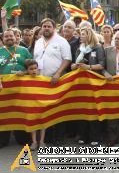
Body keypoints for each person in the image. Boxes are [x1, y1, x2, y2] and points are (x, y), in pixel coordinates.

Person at [33, 18, 72, 146]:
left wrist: (58, 73)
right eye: (44, 26)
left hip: (57, 80)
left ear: (54, 28)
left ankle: (59, 138)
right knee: (45, 110)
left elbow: (67, 59)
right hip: (41, 81)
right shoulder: (38, 42)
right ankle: (47, 138)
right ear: (41, 28)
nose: (46, 28)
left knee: (57, 110)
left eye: (49, 26)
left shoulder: (62, 41)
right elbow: (35, 60)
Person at [71, 27, 105, 146]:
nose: (80, 36)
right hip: (81, 84)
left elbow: (101, 65)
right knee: (83, 110)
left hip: (94, 83)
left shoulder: (98, 47)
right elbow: (74, 63)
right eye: (81, 34)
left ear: (89, 35)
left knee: (94, 111)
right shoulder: (79, 49)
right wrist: (74, 66)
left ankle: (95, 136)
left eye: (83, 34)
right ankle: (83, 135)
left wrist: (89, 67)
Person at [0, 29, 33, 149]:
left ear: (15, 37)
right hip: (4, 90)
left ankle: (22, 138)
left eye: (11, 36)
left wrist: (24, 72)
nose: (9, 38)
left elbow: (32, 68)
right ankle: (3, 139)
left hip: (21, 89)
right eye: (6, 36)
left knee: (20, 112)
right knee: (4, 114)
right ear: (3, 39)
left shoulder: (24, 50)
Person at [16, 59, 45, 150]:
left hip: (41, 105)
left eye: (35, 68)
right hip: (30, 106)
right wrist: (20, 74)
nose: (34, 70)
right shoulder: (24, 79)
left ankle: (42, 141)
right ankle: (34, 142)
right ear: (27, 70)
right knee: (32, 123)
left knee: (43, 122)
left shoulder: (43, 78)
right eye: (31, 69)